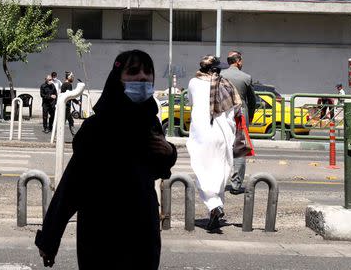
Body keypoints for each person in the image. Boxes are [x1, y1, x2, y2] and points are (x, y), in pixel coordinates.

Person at [35, 50, 177, 269]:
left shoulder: (149, 122)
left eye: (148, 72)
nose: (143, 77)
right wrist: (50, 239)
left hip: (142, 232)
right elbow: (72, 185)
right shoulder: (97, 128)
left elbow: (157, 169)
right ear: (118, 78)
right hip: (101, 233)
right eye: (133, 71)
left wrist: (168, 152)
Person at [186, 55, 242, 232]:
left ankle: (214, 205)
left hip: (202, 134)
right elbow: (235, 110)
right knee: (220, 172)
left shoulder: (193, 83)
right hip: (222, 134)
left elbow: (191, 102)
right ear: (216, 70)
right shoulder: (226, 85)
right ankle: (216, 214)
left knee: (203, 172)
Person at [220, 50, 256, 195]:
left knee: (222, 147)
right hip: (241, 115)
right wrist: (250, 117)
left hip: (222, 115)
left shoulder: (220, 75)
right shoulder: (246, 77)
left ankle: (220, 181)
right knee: (240, 149)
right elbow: (252, 101)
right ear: (238, 61)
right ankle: (236, 185)